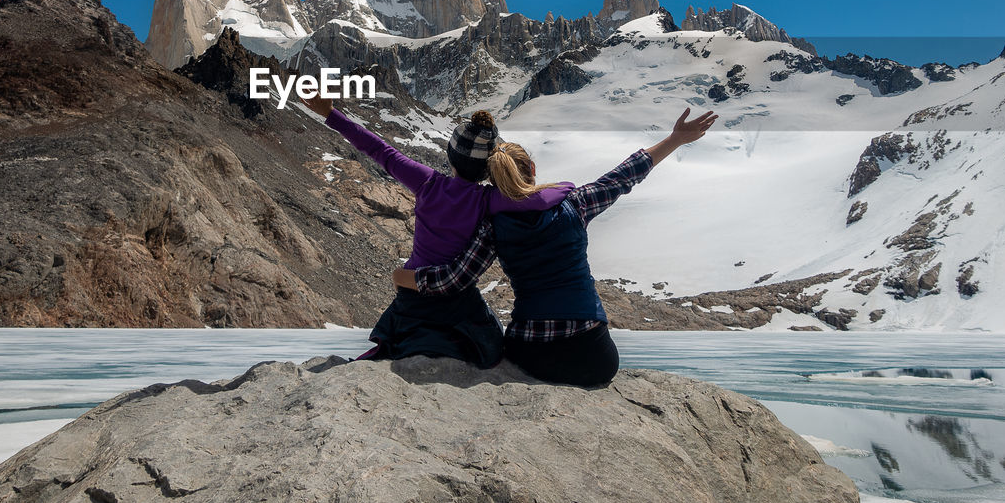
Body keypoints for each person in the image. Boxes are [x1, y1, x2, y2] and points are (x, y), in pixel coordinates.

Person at [394, 107, 717, 387]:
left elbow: (455, 279)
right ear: (532, 170)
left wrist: (406, 277)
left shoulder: (491, 227)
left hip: (530, 353)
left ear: (493, 181)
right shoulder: (575, 204)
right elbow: (626, 174)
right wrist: (675, 138)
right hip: (594, 357)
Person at [300, 94, 574, 366]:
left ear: (451, 155)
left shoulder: (427, 182)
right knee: (490, 343)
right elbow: (540, 198)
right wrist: (567, 187)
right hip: (458, 300)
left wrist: (331, 114)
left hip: (413, 294)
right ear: (487, 169)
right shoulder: (488, 200)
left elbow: (379, 150)